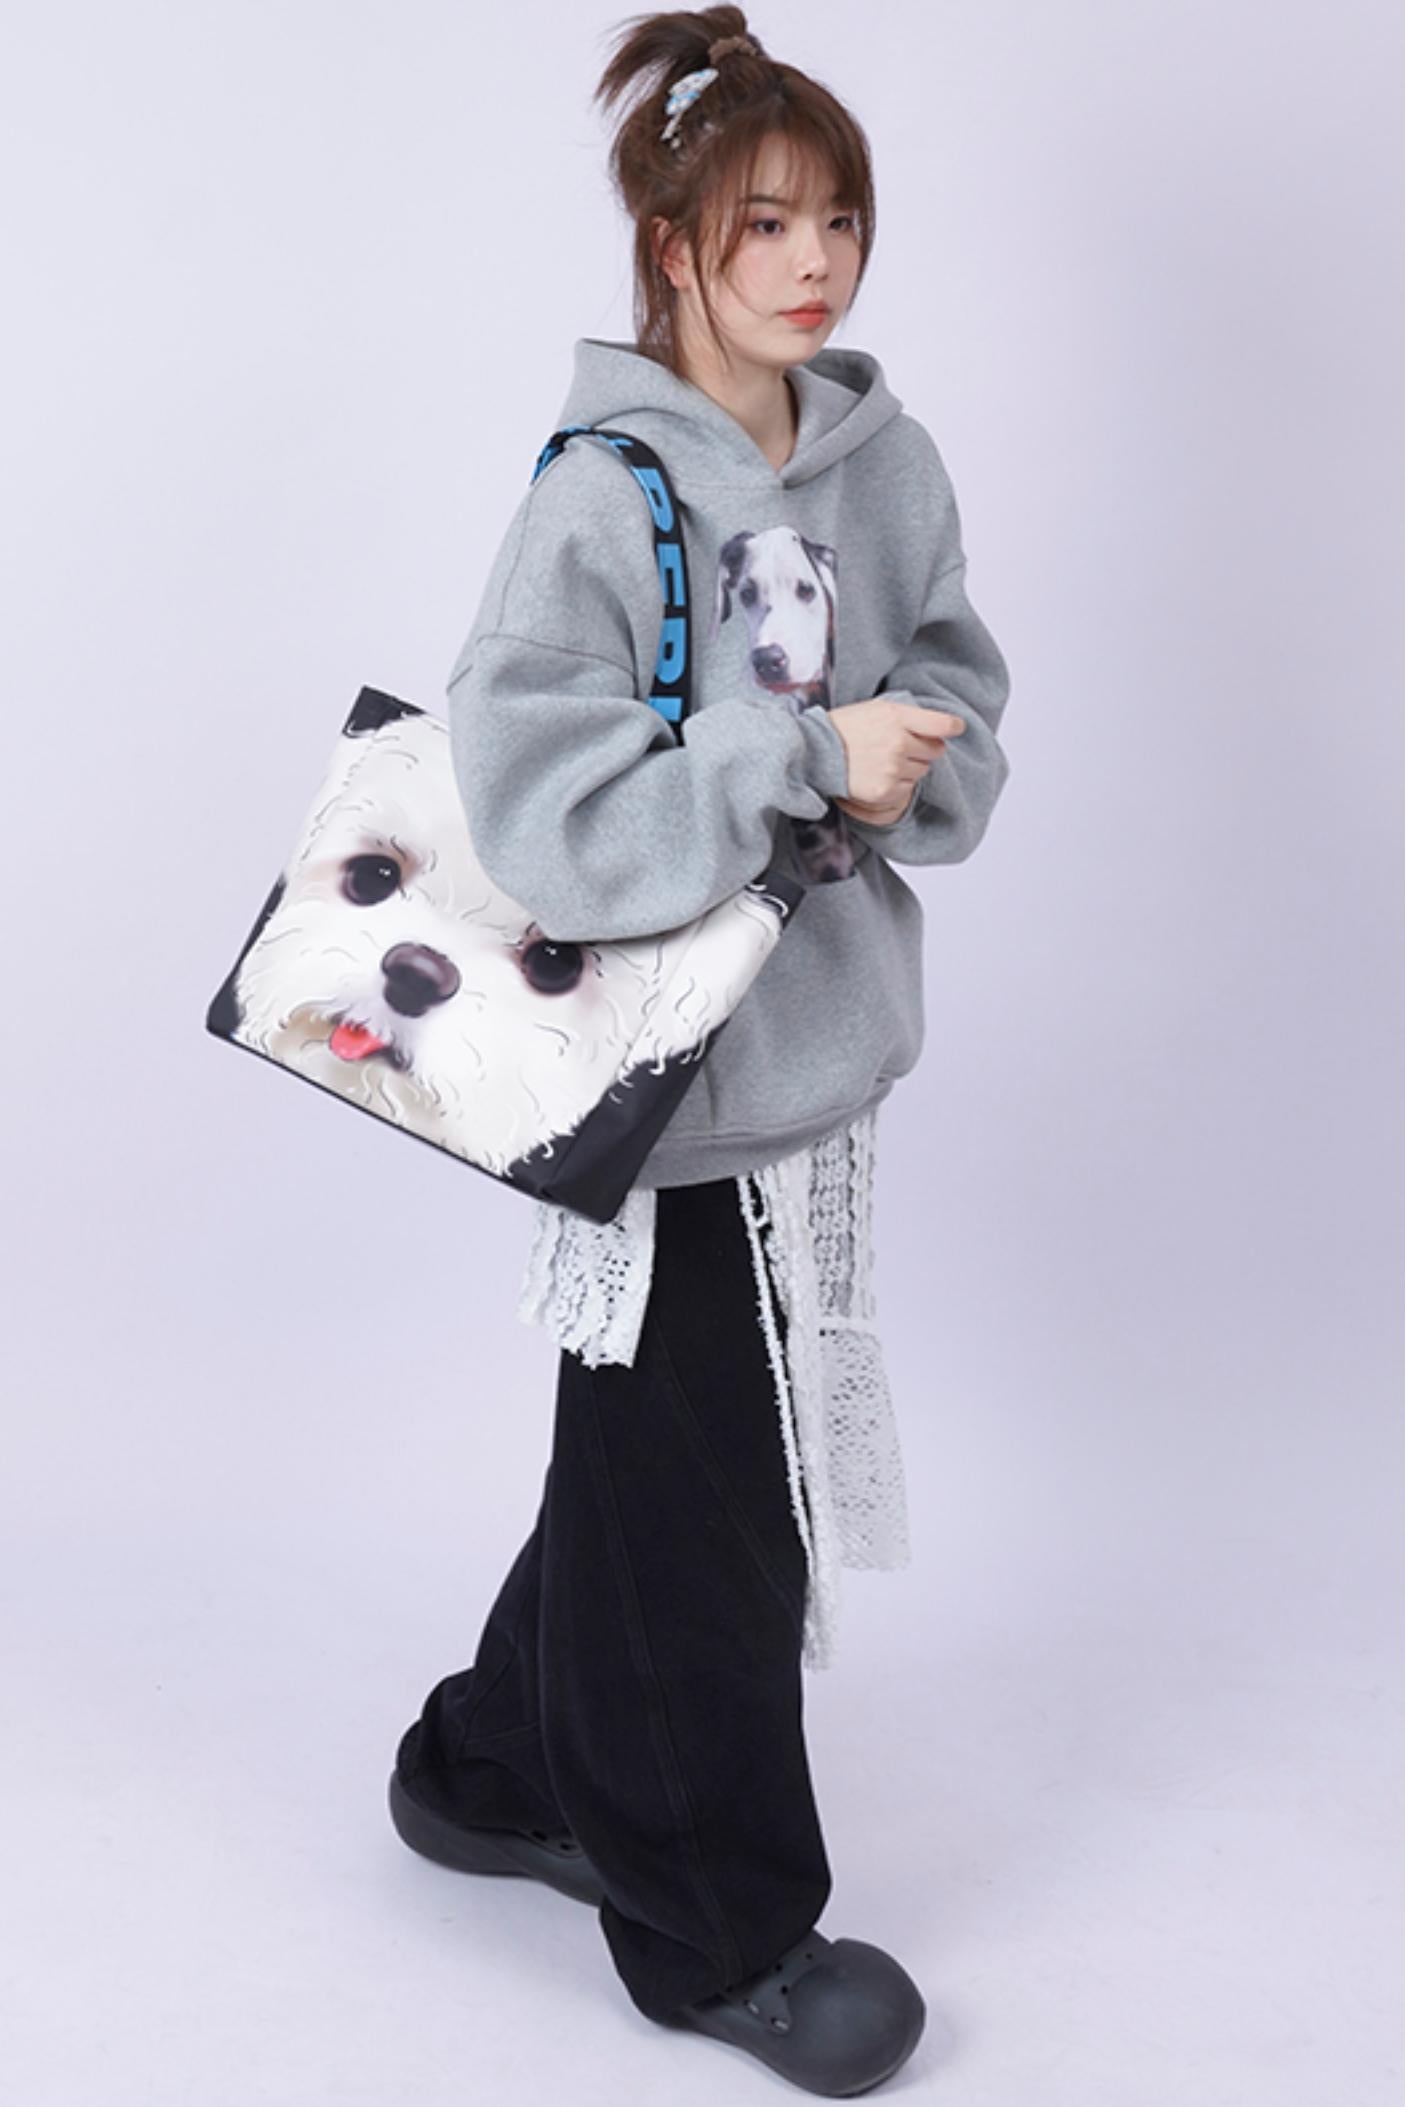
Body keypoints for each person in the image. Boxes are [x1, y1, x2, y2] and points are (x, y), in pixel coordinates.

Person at [389, 8, 1012, 2093]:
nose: (812, 261)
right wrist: (792, 758)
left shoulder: (883, 458)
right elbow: (537, 808)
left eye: (837, 217)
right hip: (654, 1097)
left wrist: (908, 762)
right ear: (671, 244)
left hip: (809, 1064)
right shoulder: (602, 493)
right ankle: (715, 1931)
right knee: (704, 1518)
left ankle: (496, 1765)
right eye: (763, 224)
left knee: (665, 1473)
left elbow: (958, 689)